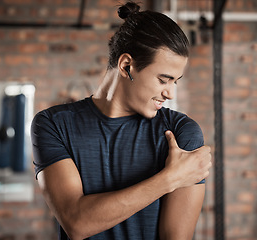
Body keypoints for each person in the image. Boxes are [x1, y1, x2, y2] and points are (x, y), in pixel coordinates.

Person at [31, 2, 212, 240]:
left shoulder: (180, 133)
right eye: (163, 80)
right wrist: (171, 178)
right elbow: (76, 222)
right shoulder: (53, 125)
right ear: (127, 66)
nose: (170, 93)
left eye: (175, 81)